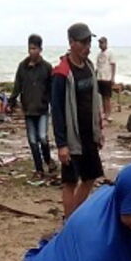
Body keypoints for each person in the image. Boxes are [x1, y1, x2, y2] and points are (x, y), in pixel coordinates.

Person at [51, 22, 103, 218]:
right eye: (83, 42)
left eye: (89, 42)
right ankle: (69, 222)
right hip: (71, 136)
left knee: (90, 177)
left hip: (89, 133)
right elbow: (56, 110)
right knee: (70, 181)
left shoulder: (89, 67)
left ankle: (74, 217)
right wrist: (61, 144)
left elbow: (95, 100)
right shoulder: (62, 73)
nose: (87, 47)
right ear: (71, 43)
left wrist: (99, 129)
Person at [8, 34, 54, 177]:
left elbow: (51, 89)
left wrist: (53, 104)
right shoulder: (22, 66)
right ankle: (39, 169)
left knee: (43, 137)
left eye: (34, 48)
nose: (32, 51)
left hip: (42, 108)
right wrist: (11, 102)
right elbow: (17, 86)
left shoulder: (47, 67)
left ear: (40, 49)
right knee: (33, 141)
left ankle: (48, 161)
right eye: (30, 48)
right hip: (28, 109)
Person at [96, 36, 116, 122]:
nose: (100, 45)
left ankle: (108, 114)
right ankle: (104, 113)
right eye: (99, 43)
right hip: (99, 77)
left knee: (107, 97)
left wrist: (112, 77)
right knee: (101, 97)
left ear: (106, 43)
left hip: (107, 77)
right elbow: (98, 66)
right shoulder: (99, 54)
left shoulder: (110, 52)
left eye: (102, 43)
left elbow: (113, 65)